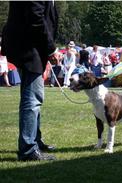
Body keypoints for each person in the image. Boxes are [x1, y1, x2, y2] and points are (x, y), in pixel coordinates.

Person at [1, 1, 59, 161]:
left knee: (33, 98)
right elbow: (36, 18)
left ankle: (35, 141)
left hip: (29, 46)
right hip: (28, 47)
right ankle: (28, 149)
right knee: (33, 99)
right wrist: (51, 48)